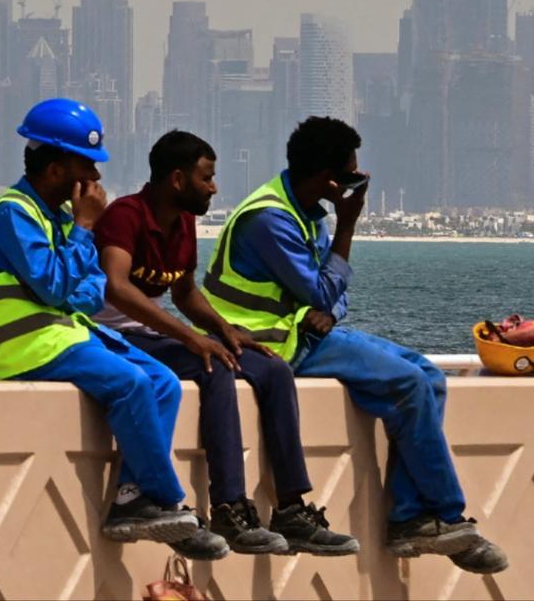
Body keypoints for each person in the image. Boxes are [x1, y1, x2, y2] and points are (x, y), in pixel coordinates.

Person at [200, 116, 508, 574]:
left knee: (428, 376)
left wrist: (331, 307)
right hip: (273, 346)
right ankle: (446, 514)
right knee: (407, 384)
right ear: (329, 179)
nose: (357, 182)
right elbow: (324, 288)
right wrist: (348, 225)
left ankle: (409, 516)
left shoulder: (306, 213)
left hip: (305, 331)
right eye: (352, 174)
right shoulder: (270, 220)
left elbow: (332, 295)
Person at [0, 98, 224, 555]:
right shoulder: (12, 215)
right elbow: (57, 286)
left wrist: (73, 255)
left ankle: (130, 500)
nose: (96, 181)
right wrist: (83, 230)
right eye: (88, 167)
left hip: (68, 335)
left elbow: (91, 290)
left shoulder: (58, 219)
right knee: (132, 383)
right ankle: (170, 502)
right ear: (57, 169)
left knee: (163, 383)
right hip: (28, 348)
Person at [94, 130, 358, 558]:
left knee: (272, 369)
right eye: (207, 178)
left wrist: (223, 331)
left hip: (153, 334)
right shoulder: (127, 215)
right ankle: (229, 506)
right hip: (114, 336)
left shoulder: (182, 222)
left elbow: (185, 294)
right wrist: (191, 338)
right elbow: (117, 287)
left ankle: (291, 508)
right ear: (177, 180)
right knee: (212, 367)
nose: (214, 187)